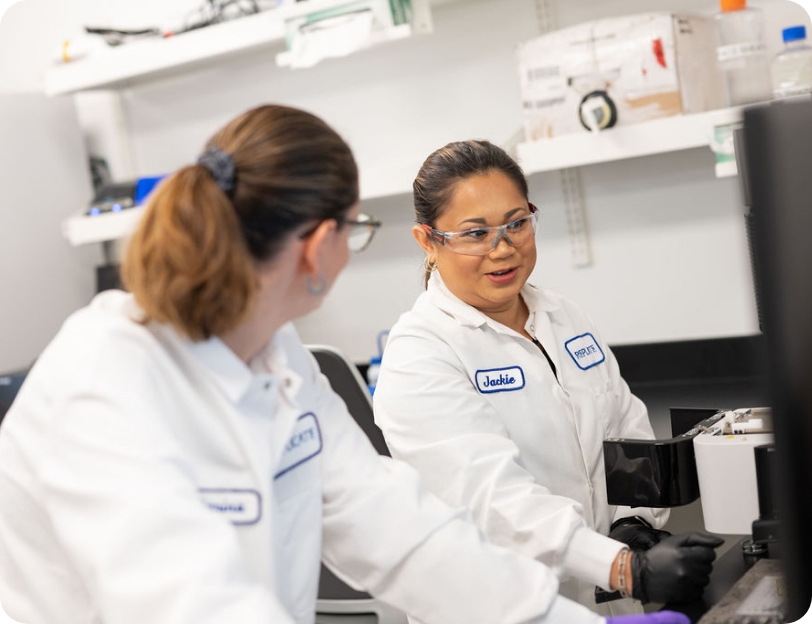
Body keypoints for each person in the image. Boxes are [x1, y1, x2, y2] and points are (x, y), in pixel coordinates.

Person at [0, 105, 691, 624]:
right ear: (321, 244)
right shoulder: (102, 385)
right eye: (358, 231)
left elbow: (401, 534)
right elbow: (190, 601)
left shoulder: (278, 358)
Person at [372, 139, 725, 616]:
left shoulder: (563, 316)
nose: (503, 248)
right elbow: (494, 501)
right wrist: (621, 566)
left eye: (517, 223)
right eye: (476, 233)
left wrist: (633, 524)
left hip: (609, 596)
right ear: (428, 241)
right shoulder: (420, 353)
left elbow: (624, 428)